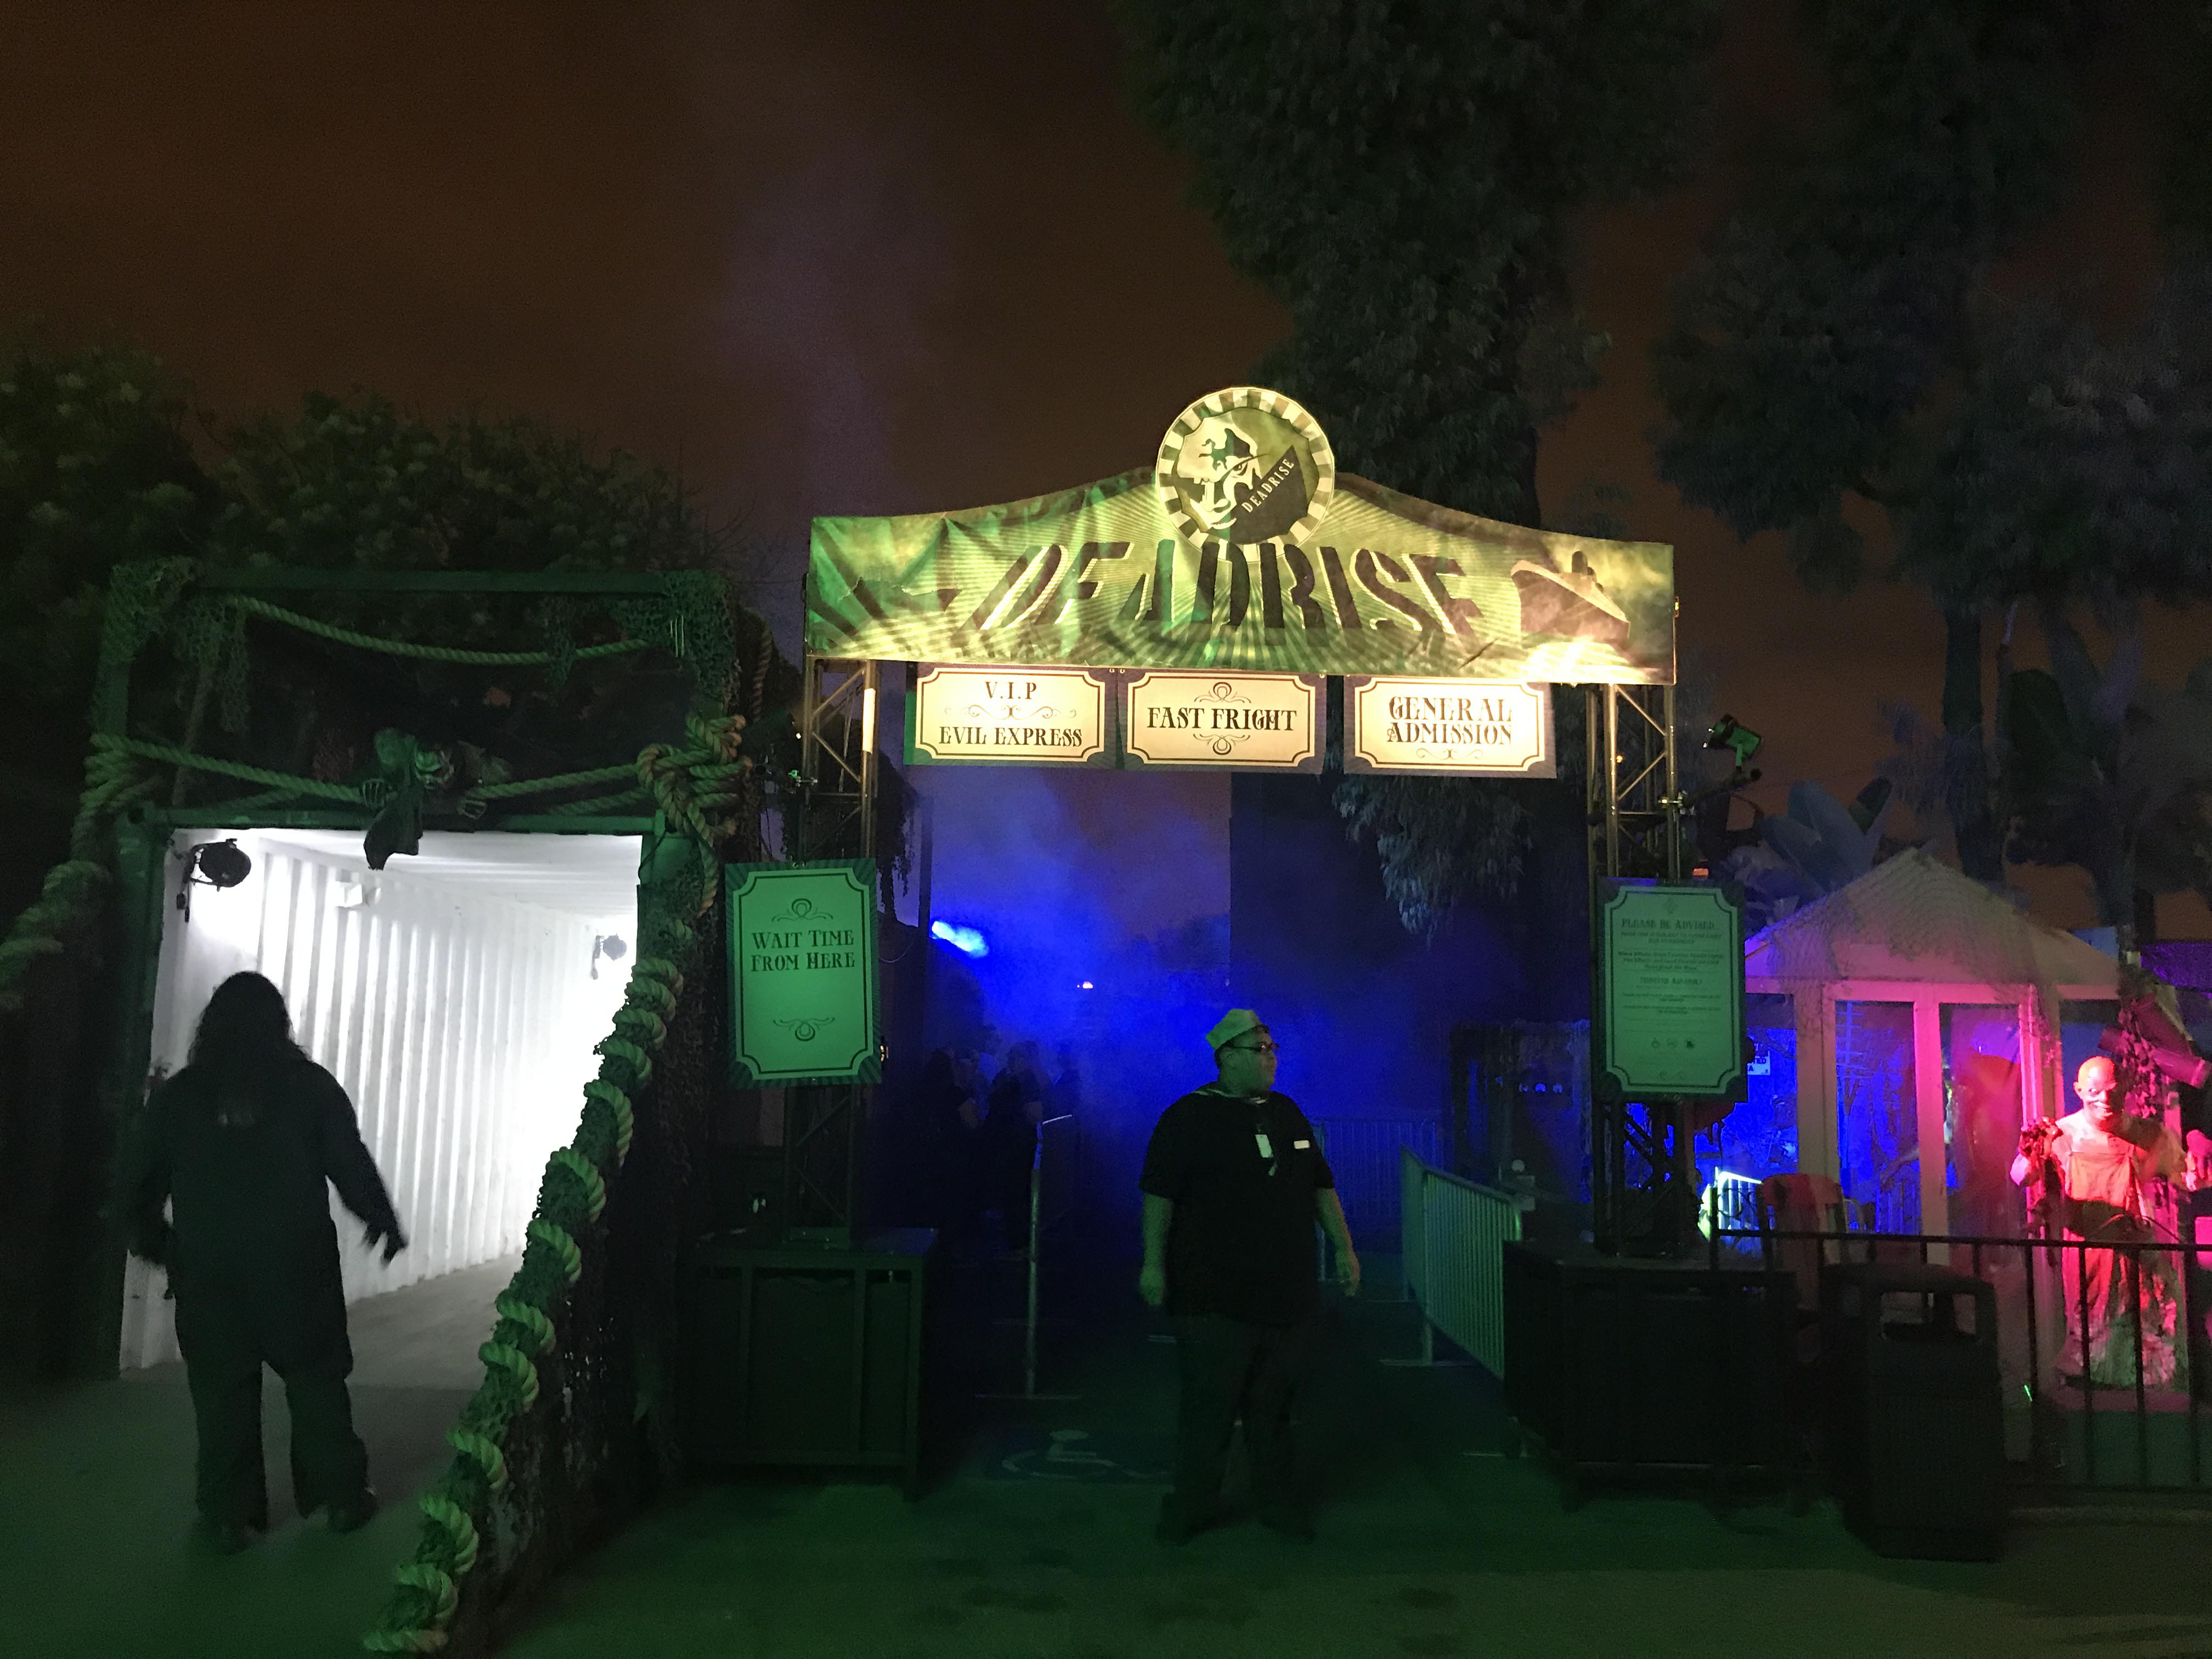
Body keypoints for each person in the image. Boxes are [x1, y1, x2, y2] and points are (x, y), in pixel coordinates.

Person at [122, 972, 408, 1553]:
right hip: (297, 1271)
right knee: (316, 1381)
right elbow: (349, 1163)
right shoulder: (310, 1088)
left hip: (210, 1276)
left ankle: (230, 1517)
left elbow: (135, 1192)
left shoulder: (179, 1099)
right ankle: (341, 1498)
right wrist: (381, 1220)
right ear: (280, 1025)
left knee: (222, 1394)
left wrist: (167, 1249)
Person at [1138, 1009, 1357, 1544]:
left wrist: (1344, 1248)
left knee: (1273, 1411)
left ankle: (1278, 1504)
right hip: (1212, 1297)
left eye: (1272, 1048)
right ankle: (1191, 1508)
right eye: (1258, 1050)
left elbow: (1320, 1186)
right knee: (1208, 1412)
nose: (1270, 1059)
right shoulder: (1187, 1119)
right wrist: (1152, 1264)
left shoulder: (1286, 1114)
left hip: (1285, 1296)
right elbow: (1159, 1196)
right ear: (1225, 1059)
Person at [2012, 1055, 2207, 1389]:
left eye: (2113, 1091)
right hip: (2089, 1257)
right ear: (2079, 1091)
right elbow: (2022, 1176)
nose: (2105, 1100)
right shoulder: (2062, 1134)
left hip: (2140, 1254)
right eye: (2095, 1092)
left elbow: (2190, 1177)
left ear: (2125, 1088)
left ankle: (2147, 1408)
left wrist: (2199, 1153)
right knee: (2093, 1341)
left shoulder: (2149, 1135)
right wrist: (2031, 1151)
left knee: (2148, 1342)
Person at [982, 1039, 1047, 1253]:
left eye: (1017, 1056)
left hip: (1014, 1145)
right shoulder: (1010, 1078)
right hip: (1008, 1145)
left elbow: (1035, 1114)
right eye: (1012, 1055)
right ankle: (1017, 1244)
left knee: (1015, 1195)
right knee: (1012, 1195)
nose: (1013, 1059)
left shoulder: (1024, 1080)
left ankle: (1018, 1245)